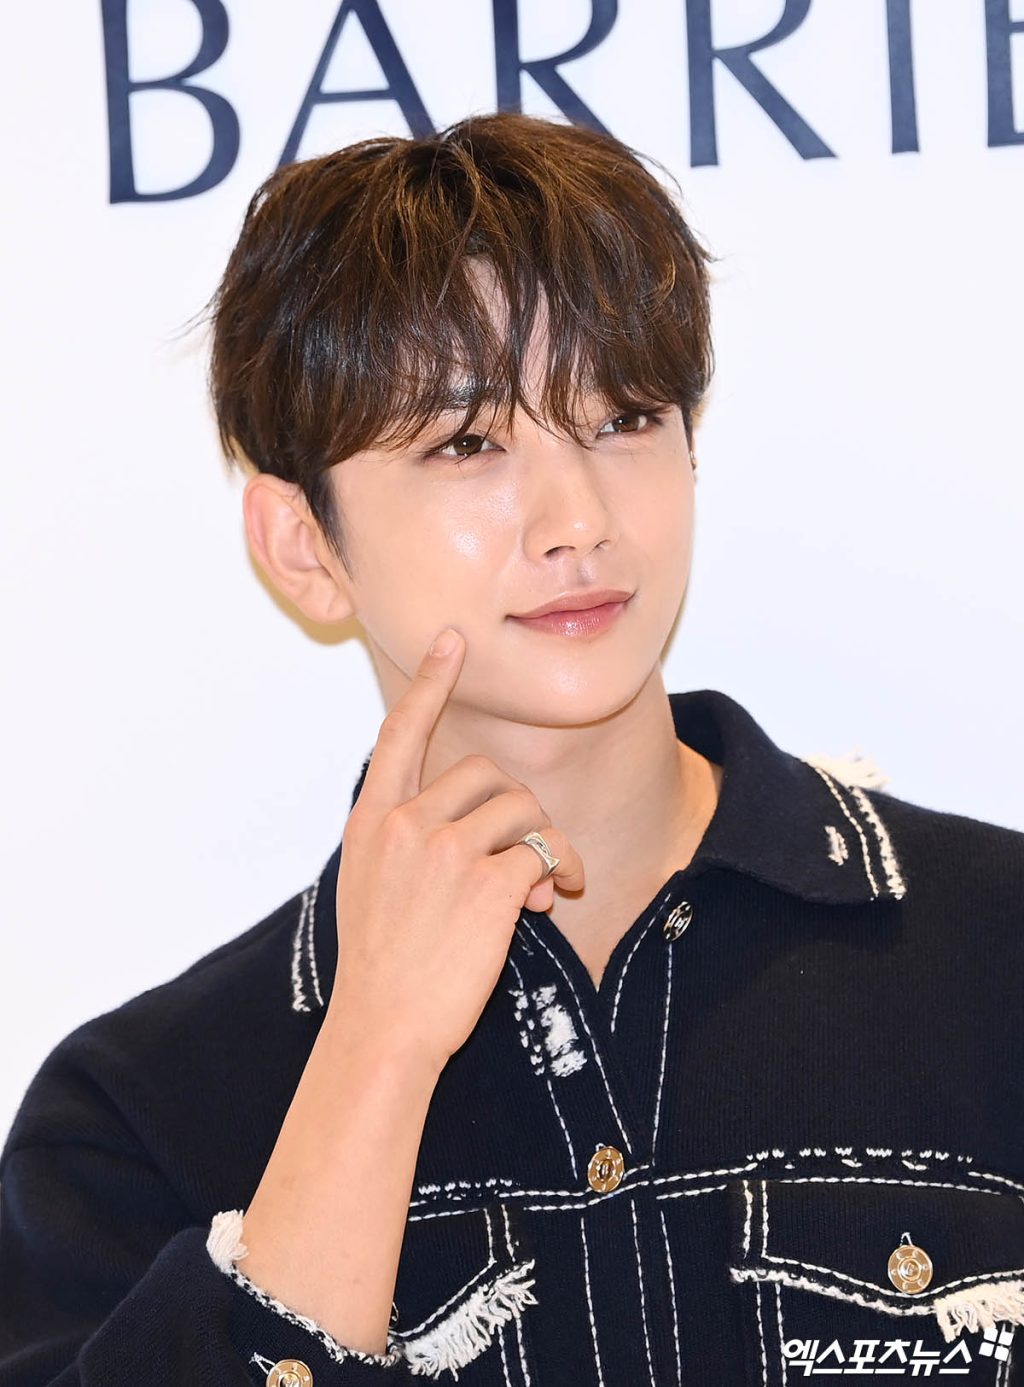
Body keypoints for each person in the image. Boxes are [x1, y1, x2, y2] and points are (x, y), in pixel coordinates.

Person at [2, 110, 1023, 1387]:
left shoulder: (992, 950)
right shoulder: (139, 1117)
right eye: (467, 443)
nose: (576, 518)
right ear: (303, 545)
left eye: (624, 418)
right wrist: (374, 1050)